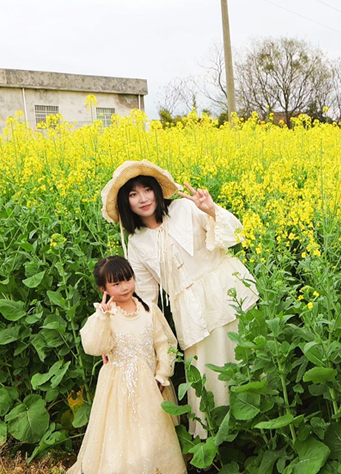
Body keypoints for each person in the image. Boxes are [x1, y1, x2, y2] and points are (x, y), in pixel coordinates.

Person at [100, 160, 258, 438]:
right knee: (206, 377)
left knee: (247, 359)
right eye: (133, 194)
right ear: (126, 203)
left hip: (228, 293)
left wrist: (211, 210)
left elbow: (234, 235)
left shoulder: (185, 209)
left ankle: (256, 433)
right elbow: (144, 299)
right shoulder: (136, 242)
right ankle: (215, 443)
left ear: (157, 191)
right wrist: (114, 327)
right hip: (191, 312)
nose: (143, 198)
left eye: (147, 189)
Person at [67, 256, 185, 474]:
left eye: (128, 279)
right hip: (118, 388)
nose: (125, 287)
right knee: (120, 436)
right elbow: (94, 346)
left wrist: (162, 375)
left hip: (150, 385)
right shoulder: (106, 316)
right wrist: (102, 317)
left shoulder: (149, 310)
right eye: (116, 284)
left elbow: (166, 344)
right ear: (103, 288)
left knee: (152, 433)